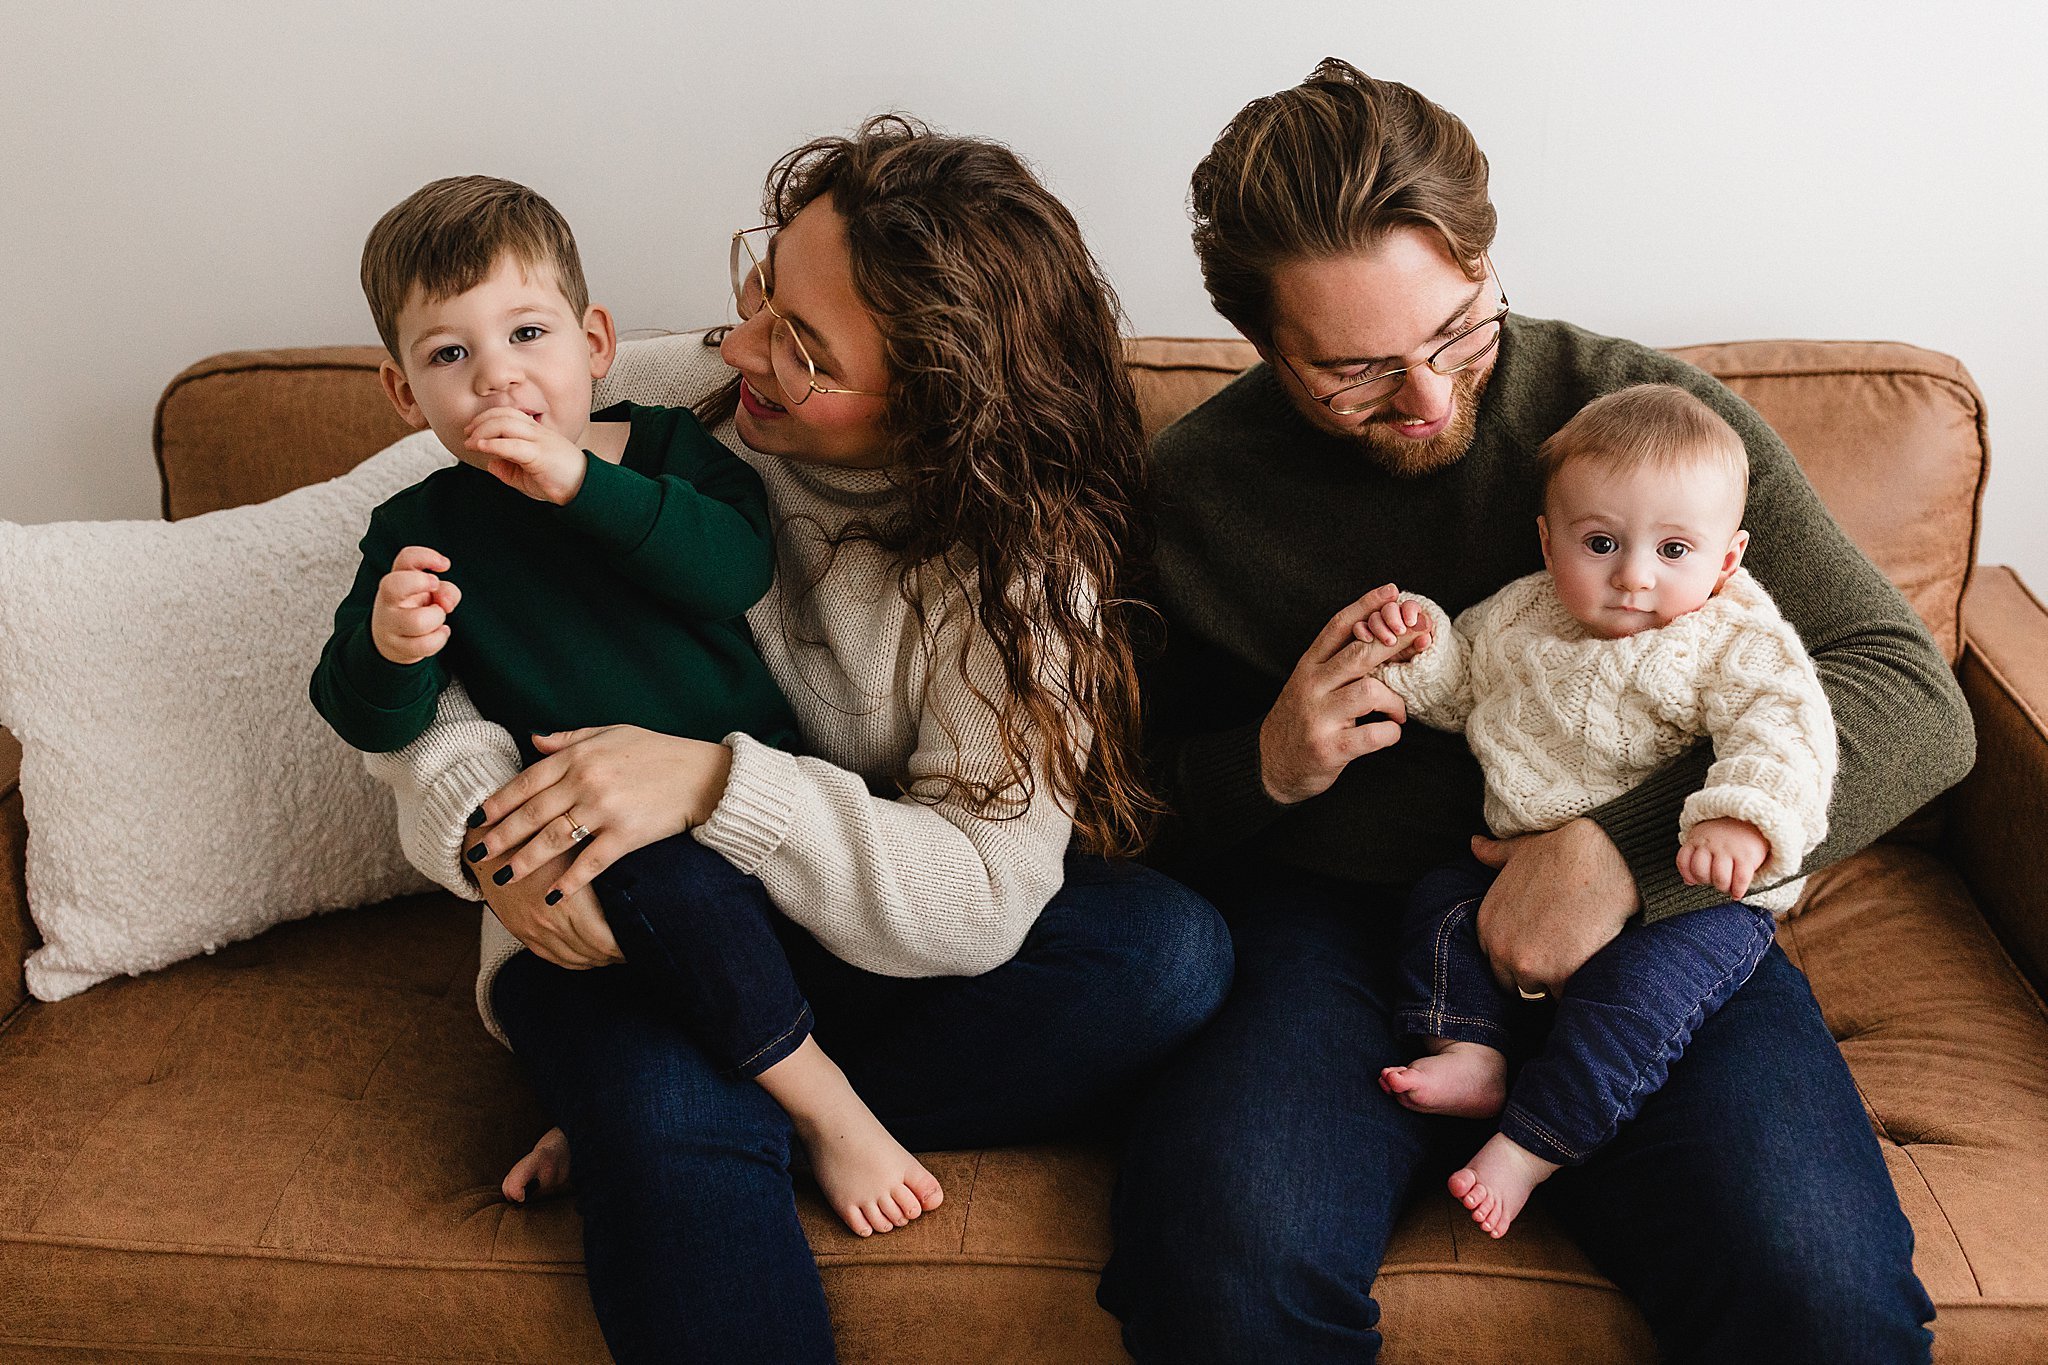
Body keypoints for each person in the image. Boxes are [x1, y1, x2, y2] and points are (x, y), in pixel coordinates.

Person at [1097, 58, 1968, 1365]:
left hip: (1664, 924)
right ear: (1262, 344)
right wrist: (1260, 767)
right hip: (1331, 936)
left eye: (1458, 332)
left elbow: (1910, 696)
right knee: (1225, 1263)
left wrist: (1616, 855)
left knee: (1823, 1298)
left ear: (1487, 260)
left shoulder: (1643, 421)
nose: (1430, 401)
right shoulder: (1188, 489)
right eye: (1354, 372)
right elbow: (1096, 792)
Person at [363, 118, 1234, 1364]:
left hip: (842, 945)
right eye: (763, 289)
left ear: (943, 406)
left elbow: (986, 894)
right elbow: (429, 669)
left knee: (1167, 955)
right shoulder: (636, 425)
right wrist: (502, 844)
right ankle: (683, 1100)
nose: (738, 347)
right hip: (614, 925)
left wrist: (719, 785)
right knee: (667, 1107)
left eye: (803, 349)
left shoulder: (1021, 581)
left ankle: (719, 1092)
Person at [310, 174, 944, 1239]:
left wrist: (576, 481)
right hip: (602, 857)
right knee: (636, 888)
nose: (497, 378)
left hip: (744, 827)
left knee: (692, 909)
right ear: (403, 394)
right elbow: (372, 720)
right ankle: (787, 1106)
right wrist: (390, 647)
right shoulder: (417, 524)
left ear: (593, 343)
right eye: (449, 356)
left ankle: (763, 1103)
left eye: (525, 333)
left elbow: (730, 569)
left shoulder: (664, 455)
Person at [1363, 383, 1836, 1239]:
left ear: (1727, 561)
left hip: (1689, 895)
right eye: (1603, 543)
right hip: (1512, 868)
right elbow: (1459, 683)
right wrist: (1418, 641)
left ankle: (1533, 1144)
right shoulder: (1519, 615)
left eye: (1675, 548)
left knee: (1632, 1006)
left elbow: (1786, 725)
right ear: (1549, 543)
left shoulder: (1733, 635)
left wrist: (1744, 816)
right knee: (1438, 903)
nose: (1633, 576)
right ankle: (1468, 1047)